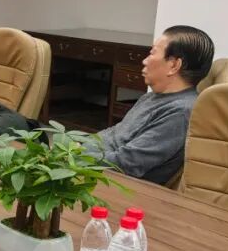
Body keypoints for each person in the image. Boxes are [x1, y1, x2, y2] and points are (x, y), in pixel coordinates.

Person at [89, 25, 214, 185]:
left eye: (152, 53)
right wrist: (77, 145)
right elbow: (115, 134)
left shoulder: (180, 113)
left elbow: (126, 164)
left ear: (174, 65)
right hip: (96, 168)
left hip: (117, 185)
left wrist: (75, 156)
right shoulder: (152, 97)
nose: (144, 61)